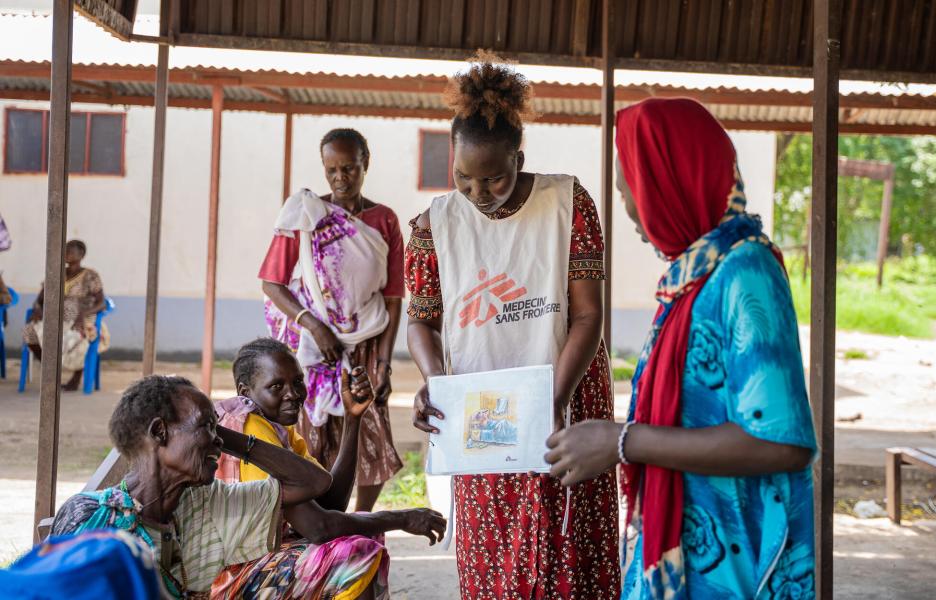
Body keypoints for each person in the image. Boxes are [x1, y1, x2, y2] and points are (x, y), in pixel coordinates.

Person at [543, 98, 816, 599]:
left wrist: (623, 441)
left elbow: (784, 443)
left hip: (736, 571)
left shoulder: (745, 274)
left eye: (631, 190)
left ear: (667, 185)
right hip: (687, 563)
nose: (627, 208)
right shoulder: (691, 280)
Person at [406, 54, 620, 598]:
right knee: (494, 556)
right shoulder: (435, 225)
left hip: (565, 396)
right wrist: (434, 380)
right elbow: (422, 324)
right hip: (482, 415)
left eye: (494, 178)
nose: (477, 192)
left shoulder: (567, 204)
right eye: (463, 177)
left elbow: (588, 314)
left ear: (519, 158)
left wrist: (552, 398)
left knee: (567, 544)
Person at [50, 374, 336, 598]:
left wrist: (223, 435)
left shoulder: (205, 502)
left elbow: (314, 481)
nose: (219, 440)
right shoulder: (92, 517)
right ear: (159, 432)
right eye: (205, 427)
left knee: (345, 558)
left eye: (217, 428)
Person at [211, 337, 447, 598]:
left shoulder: (280, 430)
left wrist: (353, 419)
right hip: (234, 576)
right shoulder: (250, 429)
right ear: (245, 393)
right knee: (355, 554)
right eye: (276, 386)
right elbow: (318, 527)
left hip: (263, 559)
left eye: (298, 381)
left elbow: (331, 505)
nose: (293, 394)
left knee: (366, 530)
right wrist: (403, 518)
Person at [259, 128, 404, 512]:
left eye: (350, 169)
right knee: (313, 435)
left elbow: (392, 298)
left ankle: (361, 516)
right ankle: (324, 519)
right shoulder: (306, 216)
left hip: (367, 342)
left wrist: (385, 363)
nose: (341, 178)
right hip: (314, 349)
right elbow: (273, 284)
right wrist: (314, 325)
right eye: (333, 170)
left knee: (371, 428)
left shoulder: (384, 220)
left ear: (365, 165)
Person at [23, 239, 109, 390]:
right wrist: (37, 308)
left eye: (70, 250)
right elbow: (39, 299)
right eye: (64, 250)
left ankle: (76, 379)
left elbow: (102, 303)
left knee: (74, 339)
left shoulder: (90, 275)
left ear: (81, 254)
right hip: (55, 320)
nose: (66, 254)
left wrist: (83, 314)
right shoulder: (55, 273)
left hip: (81, 320)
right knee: (30, 332)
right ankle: (51, 372)